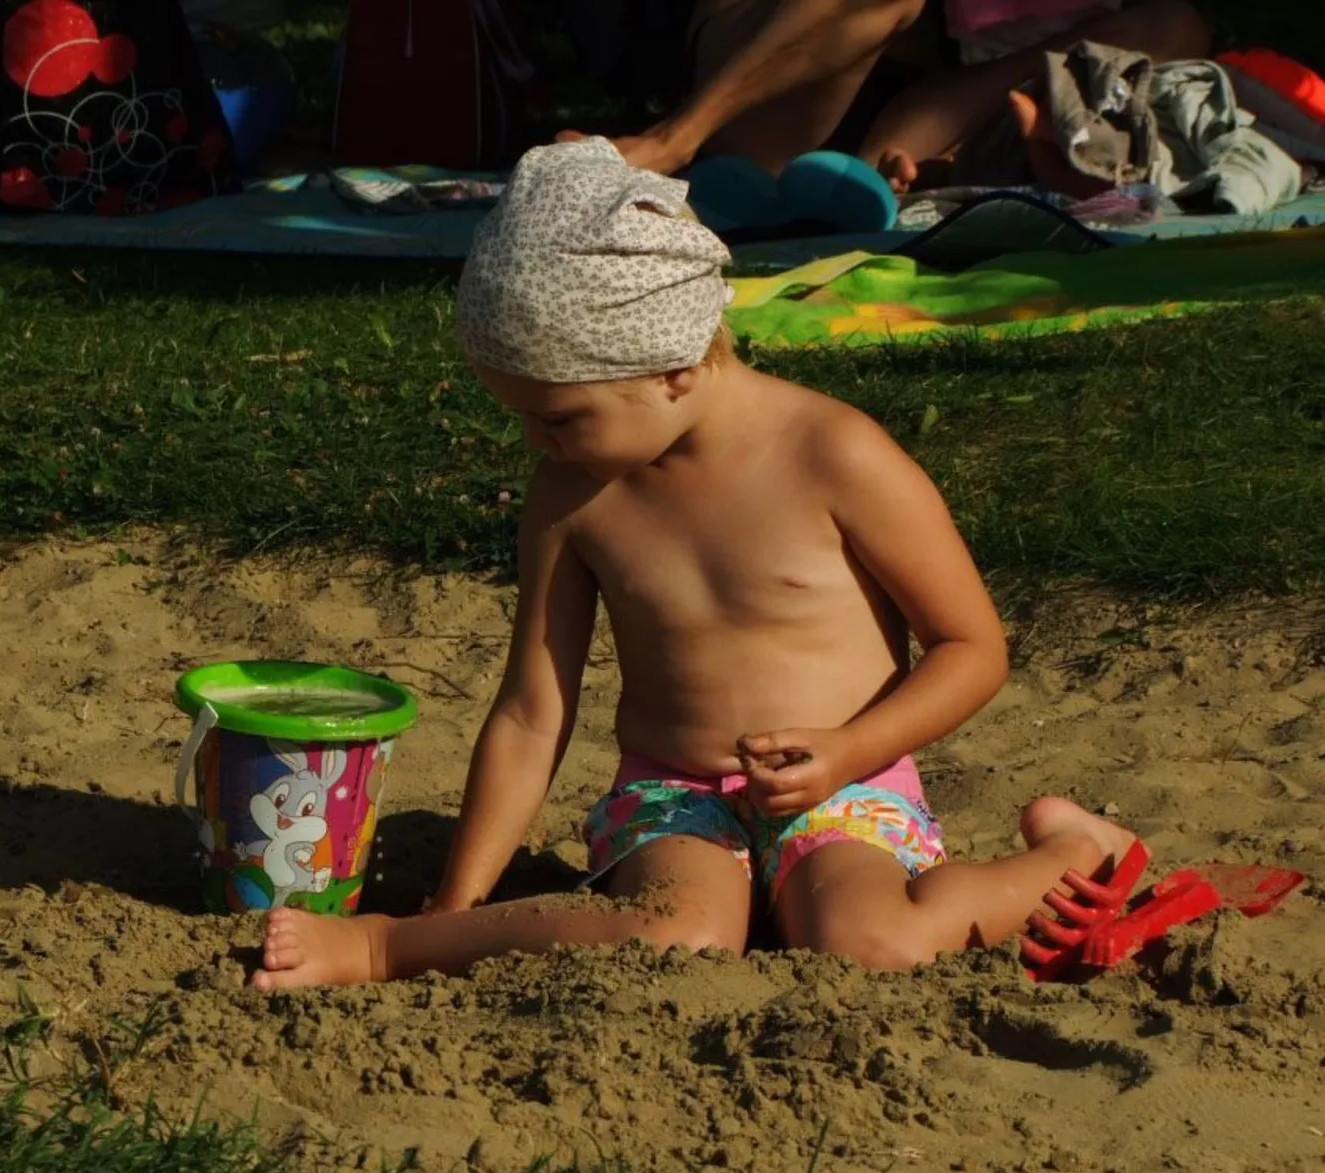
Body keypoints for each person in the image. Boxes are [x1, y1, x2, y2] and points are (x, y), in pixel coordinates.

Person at [251, 137, 1141, 991]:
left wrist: (845, 752)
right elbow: (532, 711)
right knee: (680, 933)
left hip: (846, 786)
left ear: (672, 366)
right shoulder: (571, 494)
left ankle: (1078, 852)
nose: (535, 443)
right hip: (675, 796)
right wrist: (454, 909)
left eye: (559, 418)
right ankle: (389, 946)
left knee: (874, 943)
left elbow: (972, 646)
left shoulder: (836, 455)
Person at [565, 0, 1208, 181]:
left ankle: (915, 178)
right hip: (766, 97)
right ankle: (671, 143)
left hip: (925, 112)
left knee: (1172, 25)